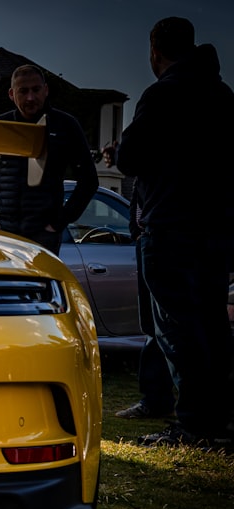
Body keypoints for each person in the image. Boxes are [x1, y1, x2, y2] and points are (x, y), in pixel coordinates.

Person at [116, 17, 234, 449]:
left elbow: (129, 157)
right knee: (212, 325)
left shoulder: (162, 94)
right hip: (218, 228)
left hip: (169, 227)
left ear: (155, 51)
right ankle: (221, 419)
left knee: (177, 328)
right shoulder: (223, 95)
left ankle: (194, 424)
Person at [0, 64, 99, 255]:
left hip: (44, 234)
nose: (31, 97)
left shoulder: (65, 125)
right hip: (4, 232)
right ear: (12, 94)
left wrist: (58, 222)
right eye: (23, 91)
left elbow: (89, 180)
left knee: (41, 285)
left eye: (36, 90)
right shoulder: (1, 126)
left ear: (46, 90)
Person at [115, 178, 176, 419]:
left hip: (162, 237)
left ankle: (188, 410)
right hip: (148, 237)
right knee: (153, 326)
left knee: (168, 327)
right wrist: (137, 233)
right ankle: (156, 400)